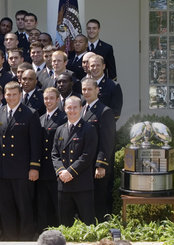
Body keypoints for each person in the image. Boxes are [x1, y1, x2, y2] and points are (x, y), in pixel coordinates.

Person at [0, 81, 41, 240]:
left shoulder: (30, 113)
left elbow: (35, 143)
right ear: (4, 95)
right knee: (6, 207)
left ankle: (26, 237)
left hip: (22, 170)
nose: (10, 97)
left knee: (24, 206)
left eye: (14, 94)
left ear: (20, 95)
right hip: (3, 169)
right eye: (8, 94)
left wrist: (34, 167)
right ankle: (10, 237)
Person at [52, 96, 98, 226]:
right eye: (69, 107)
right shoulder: (60, 129)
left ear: (81, 109)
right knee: (64, 223)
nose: (72, 110)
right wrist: (61, 172)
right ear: (64, 109)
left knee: (88, 223)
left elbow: (87, 155)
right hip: (63, 183)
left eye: (75, 107)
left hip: (81, 183)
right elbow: (54, 154)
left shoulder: (89, 129)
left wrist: (70, 172)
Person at [81, 78, 116, 221]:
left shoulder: (104, 111)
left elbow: (107, 141)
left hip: (97, 166)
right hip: (85, 165)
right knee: (87, 201)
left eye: (89, 89)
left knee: (99, 202)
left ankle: (101, 232)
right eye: (84, 89)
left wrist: (101, 165)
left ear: (97, 90)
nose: (86, 92)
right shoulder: (81, 109)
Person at [37, 87, 67, 232]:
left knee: (58, 207)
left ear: (58, 99)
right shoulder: (41, 118)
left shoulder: (63, 118)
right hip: (42, 171)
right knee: (42, 207)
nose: (48, 101)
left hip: (56, 170)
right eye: (46, 98)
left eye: (51, 98)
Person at [88, 54, 123, 120]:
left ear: (103, 66)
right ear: (88, 67)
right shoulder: (83, 84)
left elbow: (116, 113)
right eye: (92, 65)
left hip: (104, 127)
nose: (95, 68)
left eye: (98, 65)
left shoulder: (113, 86)